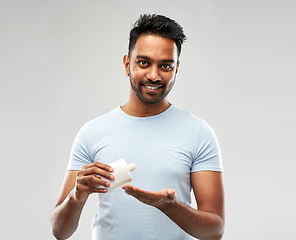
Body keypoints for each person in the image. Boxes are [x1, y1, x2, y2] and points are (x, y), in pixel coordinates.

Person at [50, 14, 224, 240]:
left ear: (176, 69)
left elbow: (214, 231)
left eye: (165, 66)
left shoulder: (199, 133)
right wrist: (77, 195)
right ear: (127, 64)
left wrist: (169, 207)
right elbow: (59, 232)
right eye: (144, 63)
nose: (154, 75)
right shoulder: (92, 132)